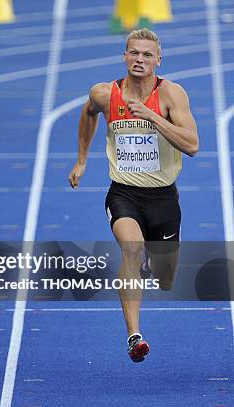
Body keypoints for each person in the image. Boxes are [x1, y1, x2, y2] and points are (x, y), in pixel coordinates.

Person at [68, 28, 198, 362]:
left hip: (163, 197)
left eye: (146, 55)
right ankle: (134, 336)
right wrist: (81, 160)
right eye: (133, 53)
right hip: (123, 193)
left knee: (166, 279)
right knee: (132, 248)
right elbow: (87, 114)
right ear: (125, 55)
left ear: (158, 60)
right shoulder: (103, 93)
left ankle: (152, 264)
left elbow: (192, 145)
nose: (139, 60)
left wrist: (154, 117)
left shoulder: (171, 95)